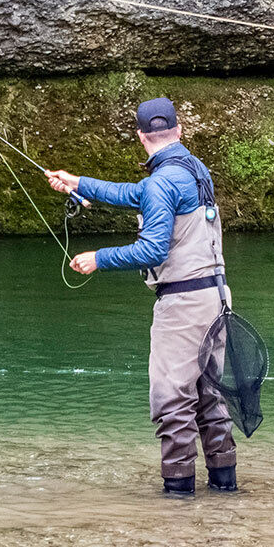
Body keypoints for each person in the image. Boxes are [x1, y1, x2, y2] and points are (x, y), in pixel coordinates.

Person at [44, 97, 237, 497]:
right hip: (216, 299)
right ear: (179, 132)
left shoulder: (162, 182)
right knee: (209, 398)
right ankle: (225, 490)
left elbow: (152, 250)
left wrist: (99, 258)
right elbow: (139, 194)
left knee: (172, 402)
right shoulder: (194, 169)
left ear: (140, 136)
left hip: (183, 306)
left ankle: (178, 498)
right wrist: (78, 183)